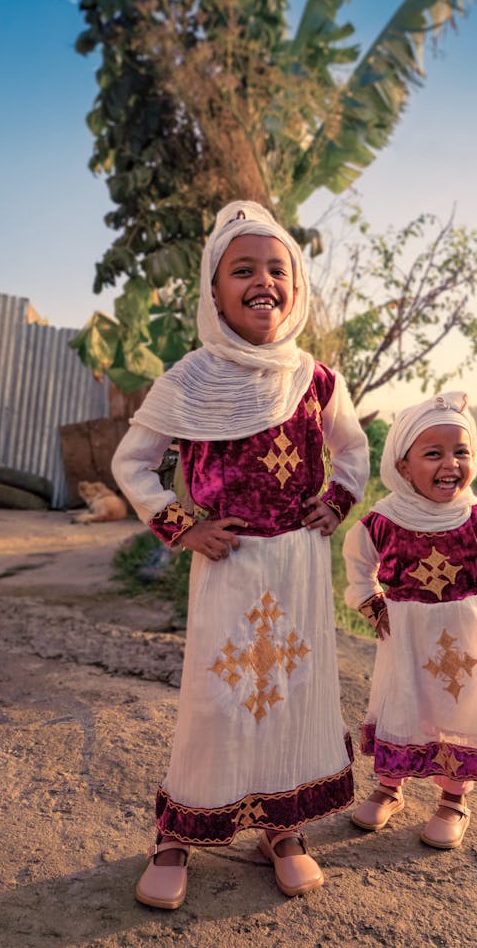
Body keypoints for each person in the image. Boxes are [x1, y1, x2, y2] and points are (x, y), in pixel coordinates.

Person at [112, 200, 369, 906]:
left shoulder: (316, 379)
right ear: (216, 290)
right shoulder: (191, 377)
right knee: (218, 700)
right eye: (243, 269)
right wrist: (179, 526)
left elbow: (351, 449)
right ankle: (176, 832)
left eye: (276, 268)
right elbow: (132, 463)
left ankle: (281, 828)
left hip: (301, 565)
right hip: (228, 567)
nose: (263, 282)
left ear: (296, 285)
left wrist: (339, 499)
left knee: (289, 696)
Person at [342, 392, 477, 849]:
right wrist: (376, 609)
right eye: (434, 453)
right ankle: (390, 787)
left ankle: (452, 800)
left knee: (458, 708)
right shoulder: (382, 521)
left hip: (461, 641)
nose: (451, 464)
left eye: (461, 451)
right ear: (403, 467)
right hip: (403, 636)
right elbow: (358, 566)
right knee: (400, 703)